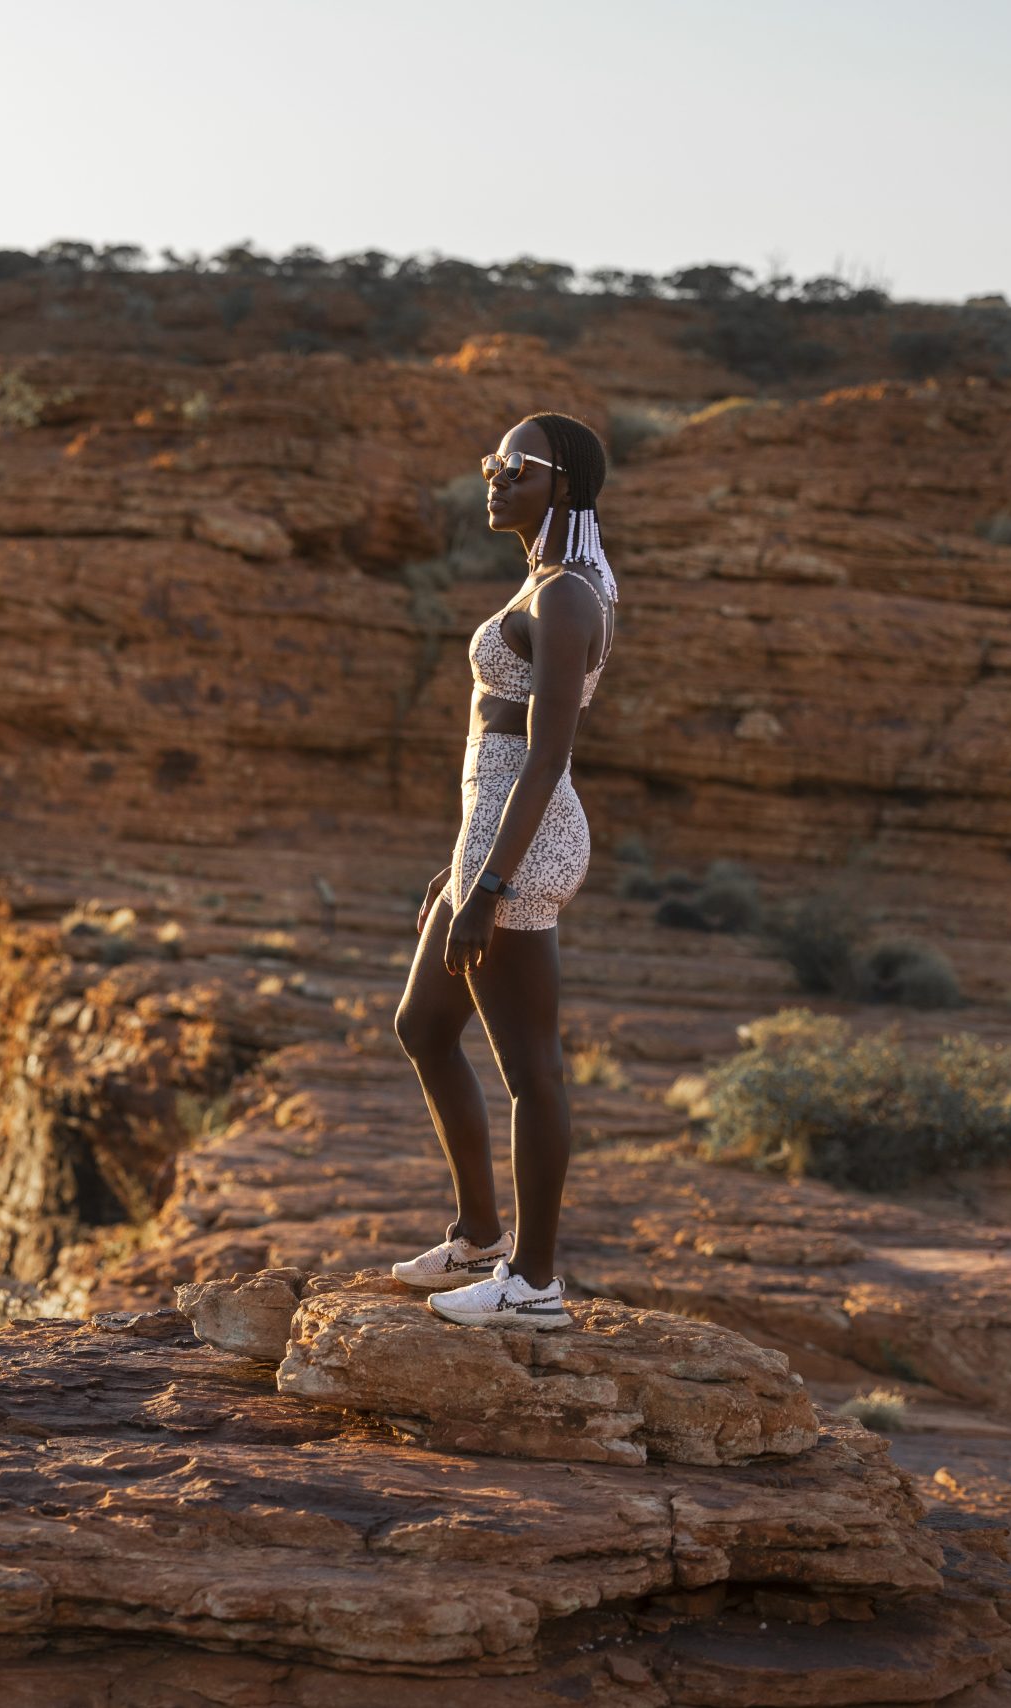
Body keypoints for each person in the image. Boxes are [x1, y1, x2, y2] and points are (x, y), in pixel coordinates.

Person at [387, 413, 617, 1330]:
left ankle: (533, 1284)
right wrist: (460, 873)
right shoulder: (547, 582)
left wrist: (489, 886)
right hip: (487, 844)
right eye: (488, 463)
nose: (492, 478)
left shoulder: (565, 595)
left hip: (525, 844)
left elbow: (547, 754)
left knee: (531, 1071)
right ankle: (478, 1238)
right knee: (423, 1026)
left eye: (512, 468)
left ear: (559, 483)